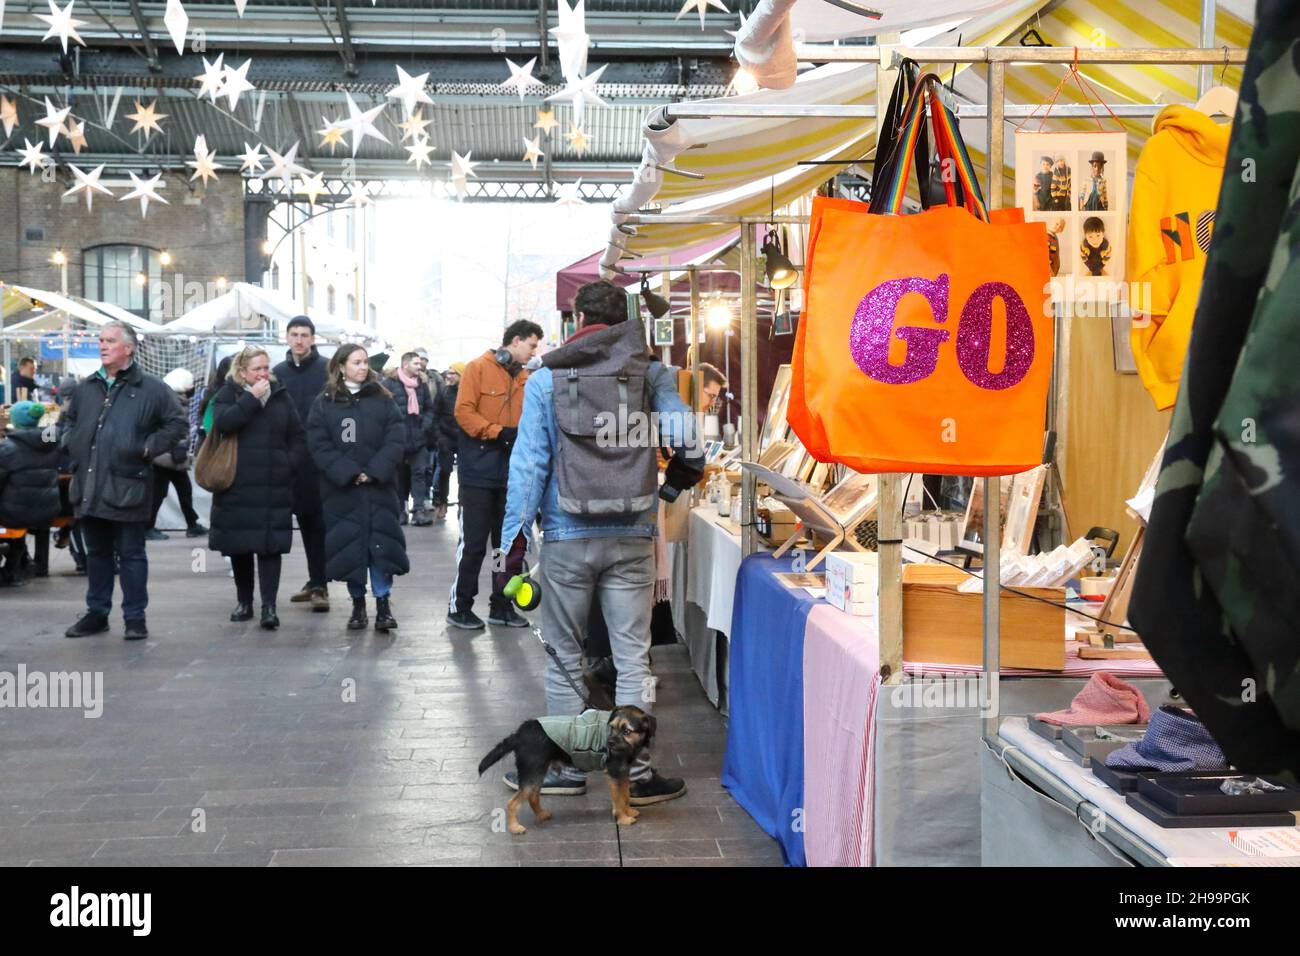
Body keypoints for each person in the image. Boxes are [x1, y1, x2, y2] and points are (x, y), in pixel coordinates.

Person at [498, 279, 702, 803]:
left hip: (566, 534)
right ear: (626, 321)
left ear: (575, 321)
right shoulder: (651, 372)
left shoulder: (547, 379)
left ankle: (564, 769)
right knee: (634, 657)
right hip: (633, 532)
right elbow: (687, 437)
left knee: (565, 653)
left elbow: (528, 467)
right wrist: (675, 482)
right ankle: (634, 774)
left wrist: (511, 549)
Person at [60, 321, 187, 640]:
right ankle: (97, 613)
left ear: (128, 348)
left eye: (110, 341)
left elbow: (177, 424)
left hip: (128, 485)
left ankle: (134, 618)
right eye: (100, 340)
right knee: (97, 553)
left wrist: (147, 447)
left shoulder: (152, 388)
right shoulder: (87, 386)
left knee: (131, 554)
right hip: (89, 484)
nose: (102, 346)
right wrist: (70, 443)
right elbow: (68, 421)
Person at [306, 344, 409, 633]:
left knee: (380, 548)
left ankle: (383, 604)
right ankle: (357, 605)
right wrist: (348, 472)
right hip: (343, 491)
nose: (363, 367)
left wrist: (375, 471)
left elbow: (396, 437)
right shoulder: (325, 402)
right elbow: (318, 443)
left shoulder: (383, 398)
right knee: (350, 549)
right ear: (341, 366)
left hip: (379, 489)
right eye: (356, 362)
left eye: (365, 362)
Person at [447, 320, 542, 631]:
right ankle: (460, 606)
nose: (534, 351)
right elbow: (463, 412)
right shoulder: (477, 368)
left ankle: (501, 604)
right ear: (514, 342)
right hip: (478, 473)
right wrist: (497, 433)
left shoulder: (527, 379)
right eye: (531, 345)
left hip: (512, 476)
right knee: (473, 545)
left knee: (504, 547)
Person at [208, 347, 305, 630]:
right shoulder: (228, 394)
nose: (264, 374)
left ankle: (269, 607)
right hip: (236, 484)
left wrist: (289, 464)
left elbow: (297, 435)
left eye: (266, 368)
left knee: (270, 547)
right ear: (242, 373)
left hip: (273, 484)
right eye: (257, 369)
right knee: (240, 546)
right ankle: (244, 602)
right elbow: (225, 424)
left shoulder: (280, 395)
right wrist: (251, 398)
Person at [272, 317, 331, 612]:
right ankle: (311, 581)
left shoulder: (327, 369)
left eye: (304, 335)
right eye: (294, 334)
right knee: (290, 523)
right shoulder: (278, 373)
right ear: (286, 337)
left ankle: (320, 583)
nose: (299, 340)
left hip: (317, 461)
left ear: (312, 338)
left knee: (316, 522)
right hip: (284, 458)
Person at [0, 401, 60, 582]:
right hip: (48, 509)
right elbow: (53, 429)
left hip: (14, 513)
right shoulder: (50, 442)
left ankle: (14, 562)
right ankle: (38, 565)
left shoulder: (8, 448)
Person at [146, 368, 207, 541]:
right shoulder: (173, 401)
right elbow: (175, 428)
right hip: (168, 456)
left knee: (180, 491)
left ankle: (192, 523)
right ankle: (148, 526)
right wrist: (179, 447)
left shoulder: (168, 399)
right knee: (162, 492)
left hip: (167, 456)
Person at [383, 351, 437, 527]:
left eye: (420, 363)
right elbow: (382, 409)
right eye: (416, 363)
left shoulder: (421, 384)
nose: (419, 366)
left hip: (418, 437)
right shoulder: (389, 383)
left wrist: (425, 426)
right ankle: (400, 511)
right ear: (405, 364)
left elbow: (429, 408)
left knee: (419, 473)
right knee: (398, 475)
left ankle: (419, 510)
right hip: (397, 439)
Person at [431, 362, 464, 522]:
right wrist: (439, 437)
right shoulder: (443, 392)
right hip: (446, 438)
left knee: (464, 474)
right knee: (444, 472)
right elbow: (435, 416)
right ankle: (441, 502)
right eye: (448, 372)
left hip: (464, 439)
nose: (448, 376)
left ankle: (463, 505)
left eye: (453, 373)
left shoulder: (467, 392)